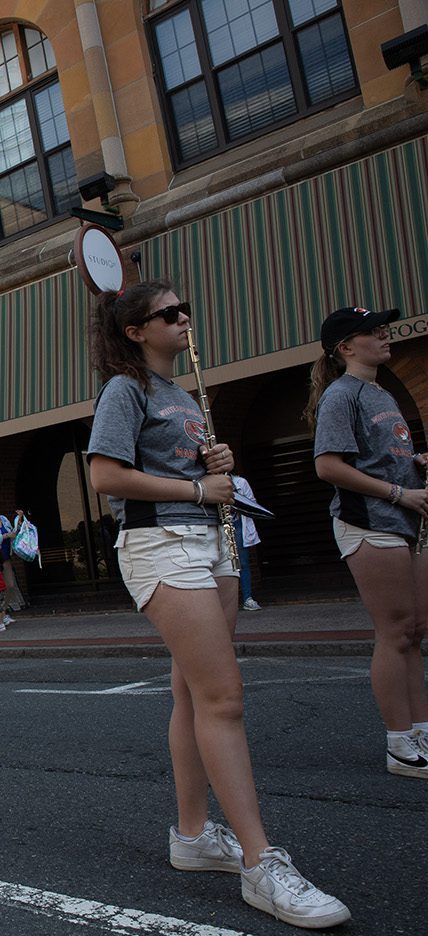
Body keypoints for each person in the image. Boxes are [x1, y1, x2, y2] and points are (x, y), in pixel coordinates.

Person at [87, 280, 349, 928]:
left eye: (186, 311)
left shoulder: (182, 394)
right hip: (161, 540)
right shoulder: (127, 390)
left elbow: (193, 471)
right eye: (169, 314)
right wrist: (199, 487)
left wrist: (216, 463)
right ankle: (262, 865)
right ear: (136, 331)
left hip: (210, 538)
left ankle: (194, 834)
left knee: (191, 693)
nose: (184, 320)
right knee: (224, 698)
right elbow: (104, 476)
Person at [306, 305, 428, 779]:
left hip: (403, 522)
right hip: (370, 523)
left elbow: (379, 458)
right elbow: (327, 466)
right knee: (395, 631)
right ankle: (399, 742)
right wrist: (399, 491)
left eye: (384, 329)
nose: (384, 335)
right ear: (345, 347)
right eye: (371, 331)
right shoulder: (342, 395)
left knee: (415, 632)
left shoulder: (381, 393)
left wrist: (413, 464)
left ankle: (420, 730)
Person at [230, 475, 264, 611]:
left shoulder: (240, 482)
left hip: (238, 524)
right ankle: (228, 602)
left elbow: (252, 504)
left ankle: (247, 598)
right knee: (222, 564)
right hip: (220, 525)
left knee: (242, 562)